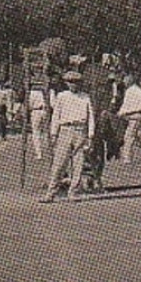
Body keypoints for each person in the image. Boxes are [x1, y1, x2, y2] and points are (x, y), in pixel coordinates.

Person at [42, 71, 95, 201]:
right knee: (59, 163)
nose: (74, 85)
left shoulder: (85, 97)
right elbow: (56, 115)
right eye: (70, 82)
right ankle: (51, 192)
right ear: (66, 83)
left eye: (76, 82)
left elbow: (91, 117)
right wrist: (54, 133)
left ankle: (73, 192)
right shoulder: (62, 96)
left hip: (80, 130)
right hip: (65, 129)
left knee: (78, 163)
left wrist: (90, 135)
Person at [117, 75, 141, 164]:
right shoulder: (128, 91)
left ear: (130, 81)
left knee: (128, 137)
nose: (124, 82)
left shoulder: (137, 90)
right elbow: (126, 105)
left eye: (125, 80)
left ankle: (127, 158)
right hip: (129, 117)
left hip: (135, 116)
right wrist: (120, 113)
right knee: (135, 137)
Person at [26, 83, 51, 160]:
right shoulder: (45, 92)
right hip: (44, 111)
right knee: (46, 132)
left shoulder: (31, 93)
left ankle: (39, 153)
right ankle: (49, 151)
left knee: (36, 132)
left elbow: (29, 105)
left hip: (35, 111)